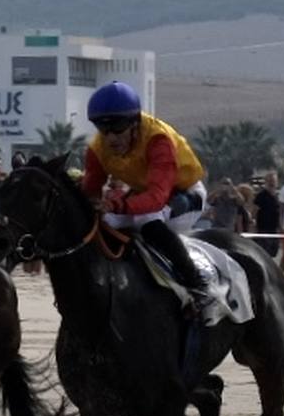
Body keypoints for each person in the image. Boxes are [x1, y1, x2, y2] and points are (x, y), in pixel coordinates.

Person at [78, 80, 213, 312]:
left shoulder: (158, 140)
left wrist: (116, 204)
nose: (110, 138)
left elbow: (157, 198)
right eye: (103, 129)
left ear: (134, 123)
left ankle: (196, 284)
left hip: (184, 194)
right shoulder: (97, 148)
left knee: (147, 220)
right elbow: (90, 191)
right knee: (105, 222)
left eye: (118, 129)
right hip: (143, 194)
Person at [253, 171, 282, 256]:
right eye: (269, 181)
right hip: (263, 230)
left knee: (273, 254)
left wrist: (280, 228)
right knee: (263, 254)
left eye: (273, 181)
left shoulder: (277, 197)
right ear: (266, 182)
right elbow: (254, 211)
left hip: (274, 230)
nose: (271, 183)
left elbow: (278, 212)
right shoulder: (261, 196)